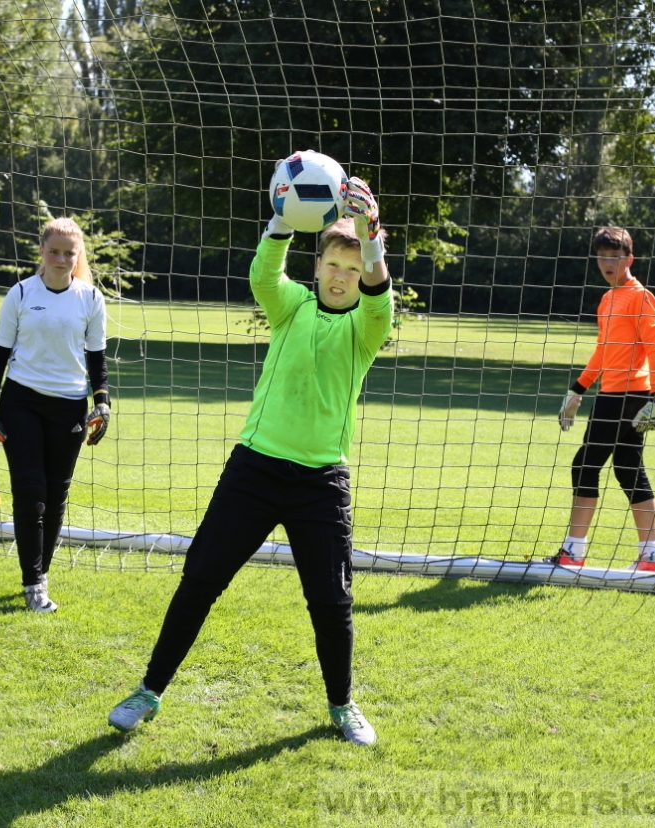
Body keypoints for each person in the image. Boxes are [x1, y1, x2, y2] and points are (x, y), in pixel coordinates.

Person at [107, 168, 392, 746]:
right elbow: (265, 271)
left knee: (332, 603)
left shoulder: (366, 327)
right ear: (317, 269)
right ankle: (149, 691)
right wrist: (283, 218)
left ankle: (341, 704)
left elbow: (382, 295)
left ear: (361, 275)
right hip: (254, 470)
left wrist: (371, 235)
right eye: (332, 265)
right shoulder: (289, 307)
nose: (341, 276)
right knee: (199, 581)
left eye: (351, 268)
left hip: (321, 483)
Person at [0, 217, 110, 613]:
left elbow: (96, 359)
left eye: (69, 253)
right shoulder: (20, 293)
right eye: (54, 251)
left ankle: (40, 572)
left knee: (55, 497)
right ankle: (34, 583)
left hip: (69, 406)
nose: (61, 259)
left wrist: (102, 402)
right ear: (42, 251)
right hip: (22, 403)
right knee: (30, 494)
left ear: (78, 255)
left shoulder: (90, 298)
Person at [550, 226, 655, 572]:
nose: (606, 263)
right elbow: (603, 352)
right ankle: (652, 557)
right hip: (610, 394)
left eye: (613, 257)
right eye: (601, 257)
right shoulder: (607, 299)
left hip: (631, 395)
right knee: (629, 470)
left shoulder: (641, 296)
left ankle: (573, 552)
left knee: (585, 464)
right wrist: (577, 390)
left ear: (628, 259)